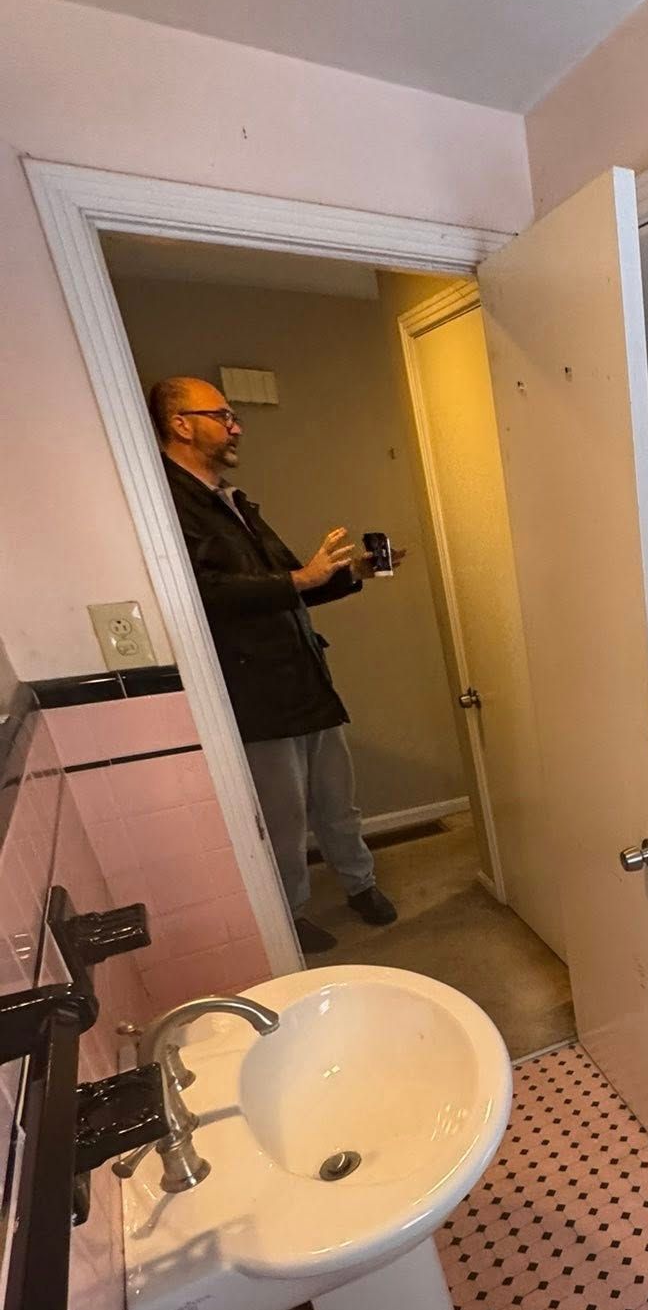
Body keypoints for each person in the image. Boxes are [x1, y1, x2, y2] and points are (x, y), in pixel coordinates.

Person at [148, 375, 398, 954]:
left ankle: (360, 884)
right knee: (281, 821)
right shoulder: (168, 506)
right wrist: (300, 579)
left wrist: (348, 574)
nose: (235, 427)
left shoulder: (232, 501)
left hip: (304, 676)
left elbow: (289, 584)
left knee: (337, 800)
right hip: (253, 692)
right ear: (181, 424)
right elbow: (202, 594)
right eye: (222, 416)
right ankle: (289, 914)